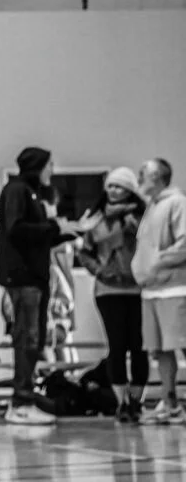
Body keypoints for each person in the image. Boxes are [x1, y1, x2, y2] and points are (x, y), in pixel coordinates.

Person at [0, 147, 73, 426]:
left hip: (36, 277)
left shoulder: (34, 194)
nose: (51, 171)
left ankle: (25, 397)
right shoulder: (16, 190)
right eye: (49, 165)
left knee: (35, 340)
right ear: (37, 166)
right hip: (23, 278)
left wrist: (63, 233)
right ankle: (21, 401)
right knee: (26, 340)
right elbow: (16, 229)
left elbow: (37, 237)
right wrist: (54, 228)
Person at [77, 169, 146, 421]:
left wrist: (132, 225)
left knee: (139, 346)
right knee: (116, 346)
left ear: (130, 190)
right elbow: (85, 252)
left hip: (138, 288)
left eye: (120, 187)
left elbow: (151, 244)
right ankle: (120, 402)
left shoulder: (142, 216)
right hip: (108, 289)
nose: (114, 191)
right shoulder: (95, 219)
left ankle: (137, 400)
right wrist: (99, 271)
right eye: (111, 186)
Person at [134, 159, 186, 423]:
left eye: (144, 173)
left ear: (158, 177)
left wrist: (158, 261)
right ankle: (170, 402)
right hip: (151, 290)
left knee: (182, 344)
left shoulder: (177, 203)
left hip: (174, 289)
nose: (139, 177)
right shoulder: (151, 208)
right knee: (160, 350)